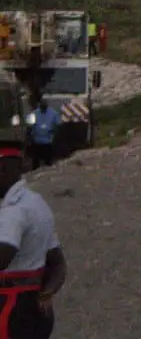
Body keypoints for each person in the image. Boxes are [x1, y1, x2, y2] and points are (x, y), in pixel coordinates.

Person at [0, 138, 67, 339]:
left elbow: (2, 257)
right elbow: (58, 262)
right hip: (38, 307)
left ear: (3, 170)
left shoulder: (14, 211)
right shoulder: (37, 203)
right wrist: (47, 292)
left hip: (11, 309)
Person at [27, 100, 59, 171]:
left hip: (47, 142)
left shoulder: (53, 113)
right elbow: (29, 126)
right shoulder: (34, 113)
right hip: (36, 142)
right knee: (35, 164)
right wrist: (29, 138)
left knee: (48, 163)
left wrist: (52, 132)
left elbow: (57, 126)